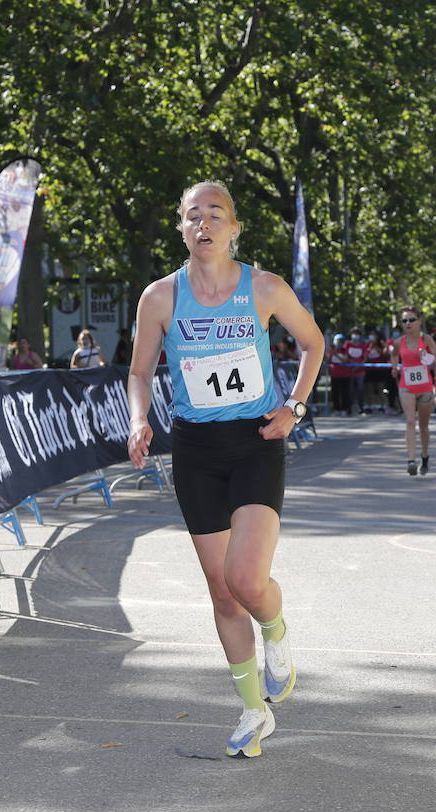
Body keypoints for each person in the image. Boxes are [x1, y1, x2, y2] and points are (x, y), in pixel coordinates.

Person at [126, 180, 323, 758]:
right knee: (221, 593)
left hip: (256, 440)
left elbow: (312, 344)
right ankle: (253, 712)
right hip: (196, 450)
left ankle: (277, 633)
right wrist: (140, 420)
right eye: (194, 216)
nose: (205, 224)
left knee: (246, 579)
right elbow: (139, 372)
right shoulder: (160, 297)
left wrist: (295, 407)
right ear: (182, 228)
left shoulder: (264, 287)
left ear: (234, 228)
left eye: (216, 215)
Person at [391, 307, 436, 475]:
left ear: (419, 321)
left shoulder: (426, 340)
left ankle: (425, 456)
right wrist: (395, 368)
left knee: (424, 426)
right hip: (406, 386)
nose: (408, 323)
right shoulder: (399, 342)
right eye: (404, 321)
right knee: (410, 421)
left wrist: (425, 357)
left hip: (425, 387)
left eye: (411, 320)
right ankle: (411, 460)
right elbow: (394, 354)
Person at [328, 332, 353, 415]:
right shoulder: (331, 350)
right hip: (334, 375)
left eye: (340, 341)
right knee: (335, 393)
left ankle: (344, 409)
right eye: (337, 341)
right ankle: (336, 409)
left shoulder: (345, 350)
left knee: (344, 393)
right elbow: (328, 360)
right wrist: (332, 354)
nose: (339, 343)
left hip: (345, 375)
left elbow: (345, 360)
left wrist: (336, 355)